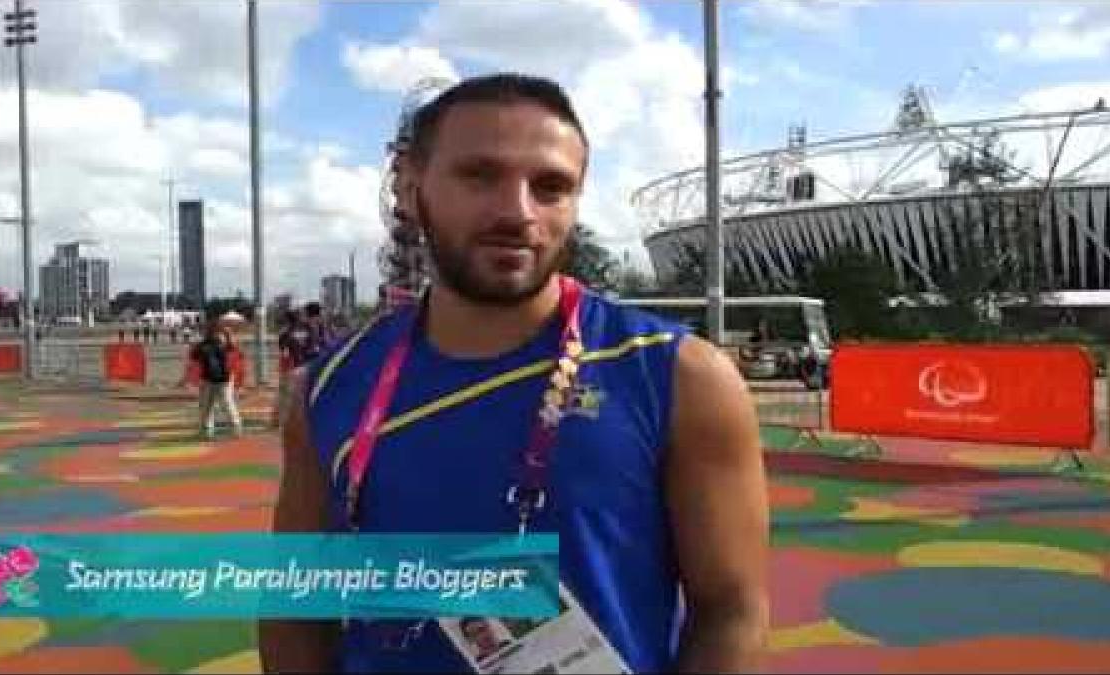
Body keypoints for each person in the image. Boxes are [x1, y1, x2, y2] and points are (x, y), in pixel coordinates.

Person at [259, 73, 769, 673]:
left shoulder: (678, 375)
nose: (516, 211)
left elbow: (732, 612)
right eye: (479, 175)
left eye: (550, 186)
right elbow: (296, 606)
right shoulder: (332, 384)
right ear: (408, 185)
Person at [190, 319, 244, 439]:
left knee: (218, 405)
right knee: (209, 406)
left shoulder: (220, 344)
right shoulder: (206, 345)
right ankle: (209, 430)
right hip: (212, 379)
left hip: (220, 379)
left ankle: (233, 428)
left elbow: (235, 350)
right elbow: (194, 358)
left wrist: (228, 335)